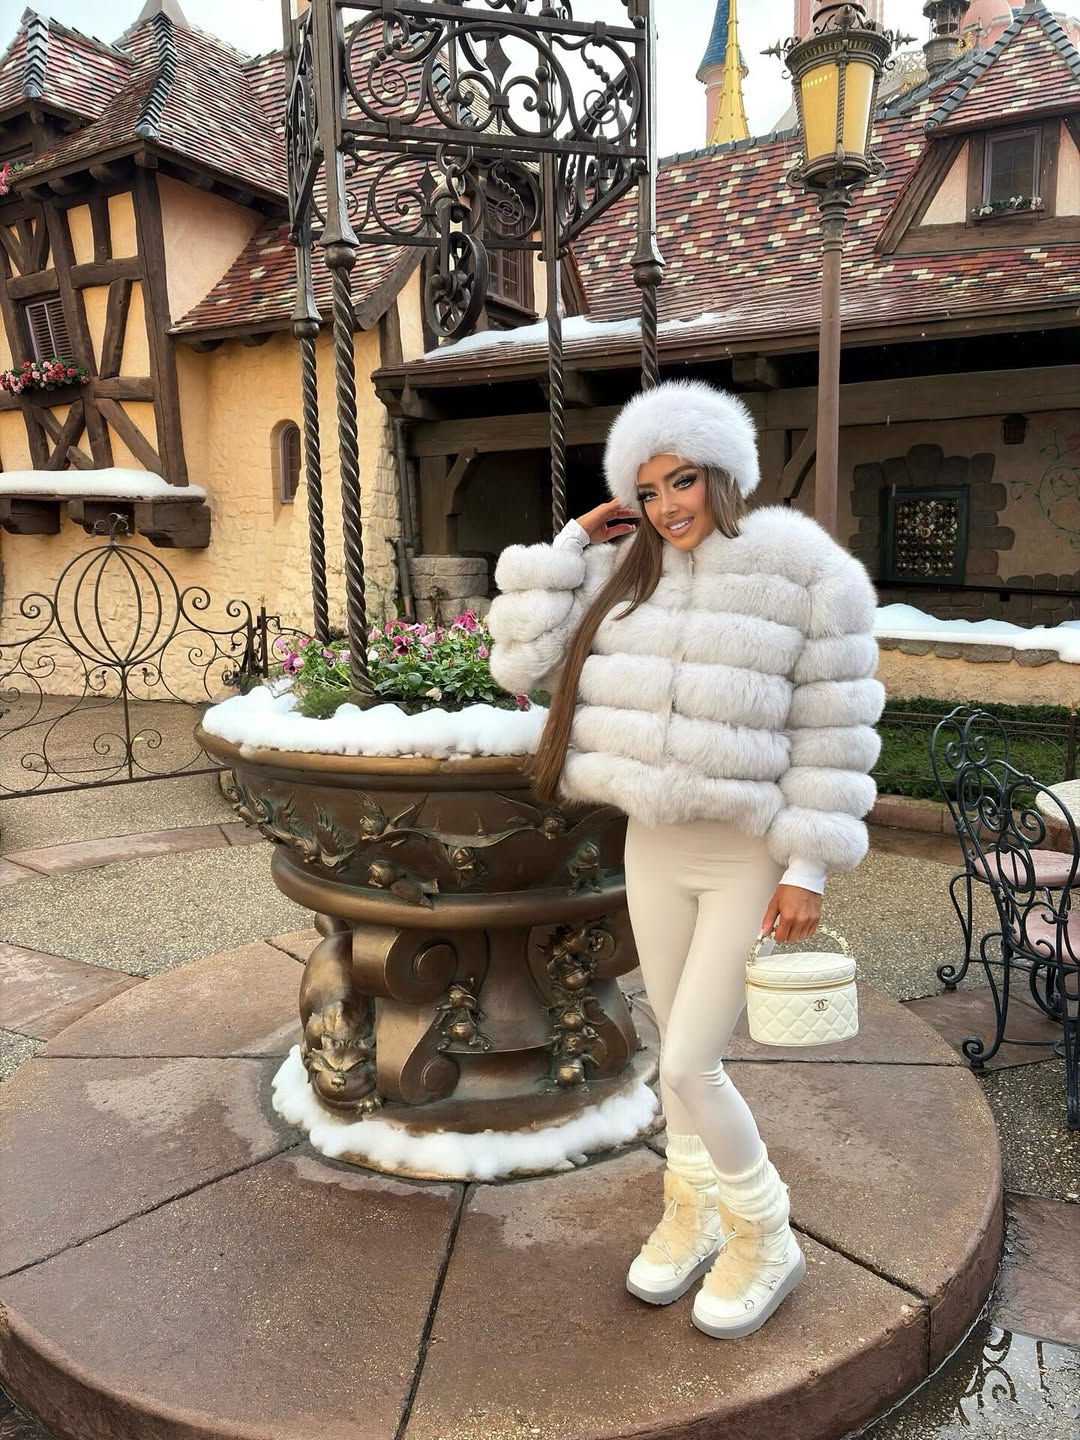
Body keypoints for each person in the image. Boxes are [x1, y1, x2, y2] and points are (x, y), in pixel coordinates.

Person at [488, 380, 884, 1339]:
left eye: (684, 481)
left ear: (724, 473)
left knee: (694, 1062)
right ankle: (691, 1207)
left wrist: (808, 868)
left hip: (745, 855)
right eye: (649, 488)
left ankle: (767, 1234)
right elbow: (518, 666)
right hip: (652, 846)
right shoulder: (625, 570)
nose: (668, 505)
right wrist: (573, 544)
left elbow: (831, 728)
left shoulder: (804, 570)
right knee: (674, 1056)